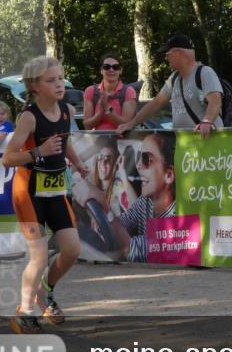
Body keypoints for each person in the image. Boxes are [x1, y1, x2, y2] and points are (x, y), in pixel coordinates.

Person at [2, 56, 89, 334]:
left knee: (72, 250)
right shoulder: (28, 116)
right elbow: (8, 158)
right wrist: (38, 152)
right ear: (34, 86)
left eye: (61, 78)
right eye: (51, 80)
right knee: (39, 257)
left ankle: (45, 290)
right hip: (27, 192)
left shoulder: (66, 110)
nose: (59, 84)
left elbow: (64, 141)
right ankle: (25, 311)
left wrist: (77, 162)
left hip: (54, 189)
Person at [117, 34, 222, 137]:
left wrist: (207, 121)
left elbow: (215, 102)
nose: (166, 58)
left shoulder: (205, 72)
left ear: (180, 53)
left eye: (168, 54)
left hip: (207, 142)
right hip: (186, 146)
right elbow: (155, 104)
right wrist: (131, 124)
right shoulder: (174, 78)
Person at [116, 133, 176, 262]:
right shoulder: (144, 202)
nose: (138, 165)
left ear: (169, 175)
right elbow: (121, 226)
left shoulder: (177, 215)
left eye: (146, 159)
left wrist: (103, 209)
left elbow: (130, 248)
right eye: (138, 158)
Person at [82, 53, 138, 131]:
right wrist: (101, 112)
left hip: (122, 141)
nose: (111, 70)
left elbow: (126, 125)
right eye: (107, 67)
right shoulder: (90, 91)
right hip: (98, 140)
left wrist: (107, 107)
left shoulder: (128, 92)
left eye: (115, 67)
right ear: (101, 70)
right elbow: (87, 126)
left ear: (120, 70)